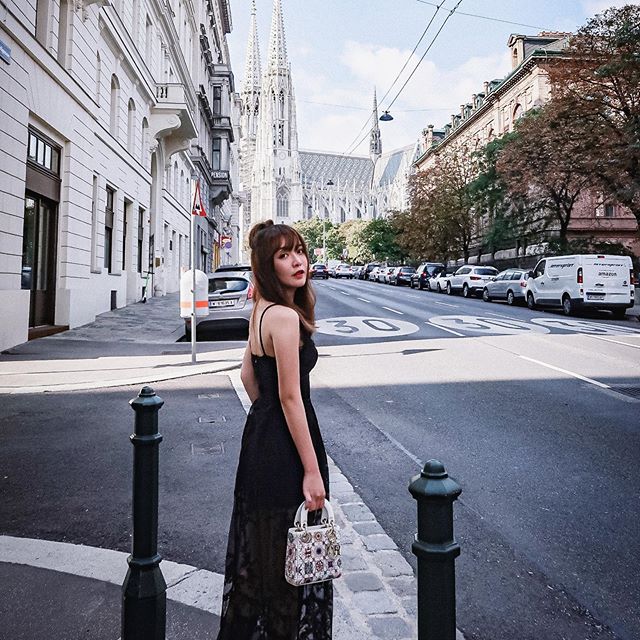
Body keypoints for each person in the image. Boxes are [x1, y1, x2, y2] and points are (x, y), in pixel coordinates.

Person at [216, 220, 332, 640]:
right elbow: (290, 397)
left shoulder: (262, 310)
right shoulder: (283, 317)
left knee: (261, 566)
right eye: (284, 255)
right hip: (285, 454)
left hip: (260, 444)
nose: (297, 261)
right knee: (289, 573)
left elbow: (249, 376)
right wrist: (312, 470)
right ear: (268, 265)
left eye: (299, 250)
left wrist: (265, 418)